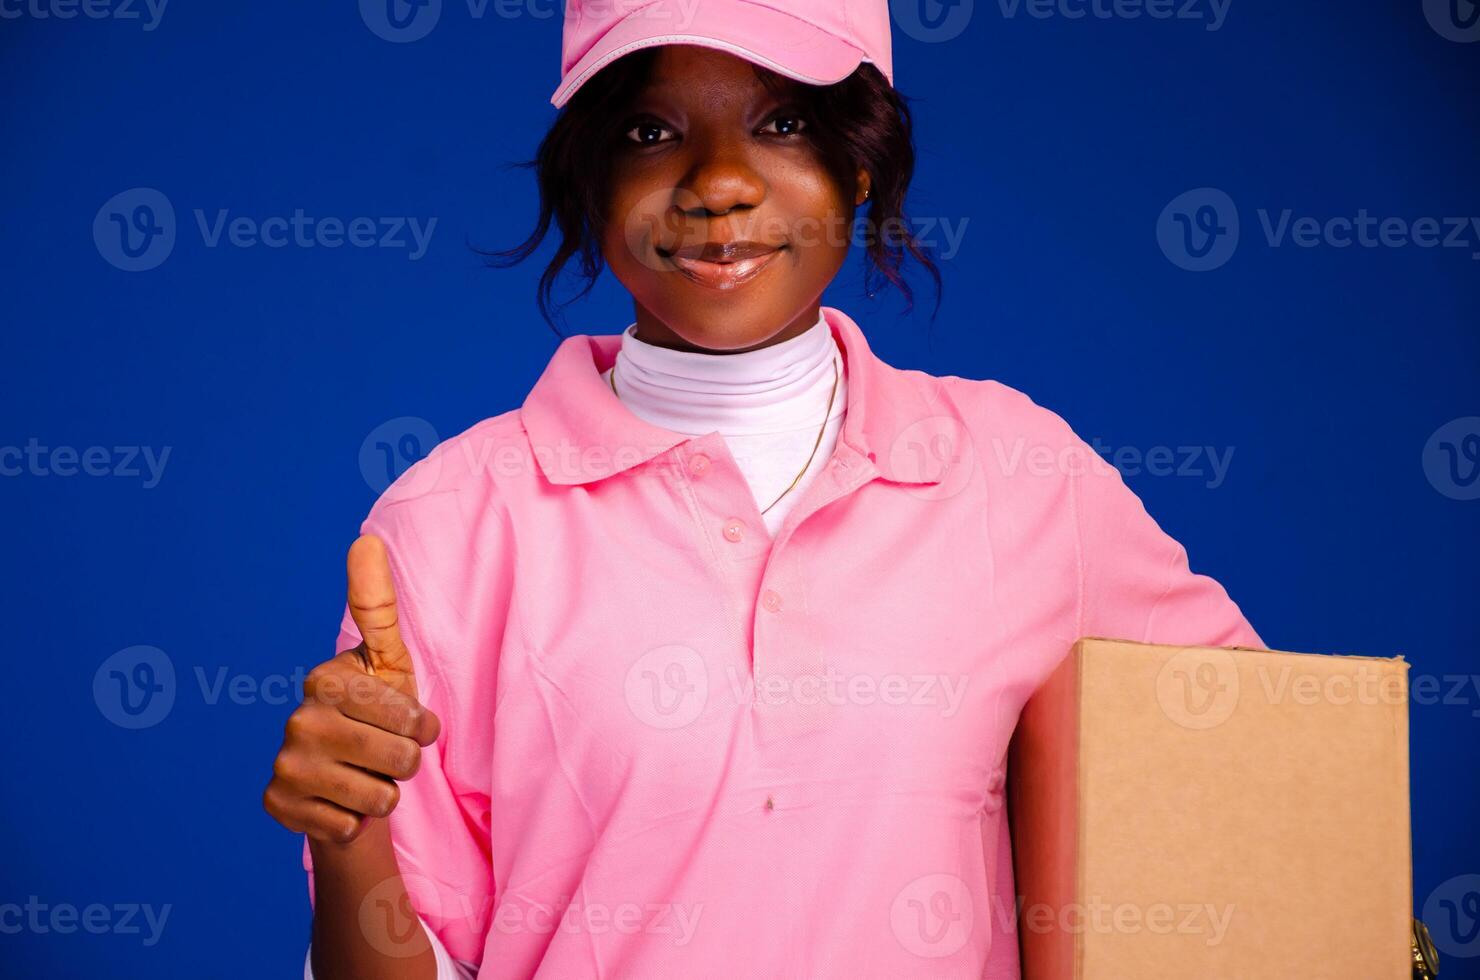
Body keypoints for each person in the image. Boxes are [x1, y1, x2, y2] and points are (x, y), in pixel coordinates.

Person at [262, 3, 1263, 977]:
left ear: (859, 159)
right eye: (651, 131)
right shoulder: (451, 523)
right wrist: (351, 839)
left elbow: (1256, 765)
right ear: (593, 176)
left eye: (782, 121)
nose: (721, 183)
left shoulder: (1020, 476)